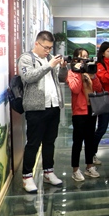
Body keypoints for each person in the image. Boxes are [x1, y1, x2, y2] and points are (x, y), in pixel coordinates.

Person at [18, 31, 68, 193]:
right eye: (45, 47)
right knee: (33, 143)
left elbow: (61, 79)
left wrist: (63, 68)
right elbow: (29, 77)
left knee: (49, 142)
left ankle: (48, 172)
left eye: (50, 48)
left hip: (53, 106)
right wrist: (49, 65)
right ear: (37, 43)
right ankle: (27, 176)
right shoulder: (26, 58)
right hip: (36, 109)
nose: (48, 51)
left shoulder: (50, 58)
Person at [67, 48, 102, 181]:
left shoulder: (90, 70)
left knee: (90, 140)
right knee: (77, 141)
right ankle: (75, 169)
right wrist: (79, 73)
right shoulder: (72, 72)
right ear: (76, 59)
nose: (86, 59)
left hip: (91, 109)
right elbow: (75, 89)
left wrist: (93, 76)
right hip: (79, 111)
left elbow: (98, 88)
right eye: (83, 57)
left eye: (87, 56)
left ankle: (89, 166)